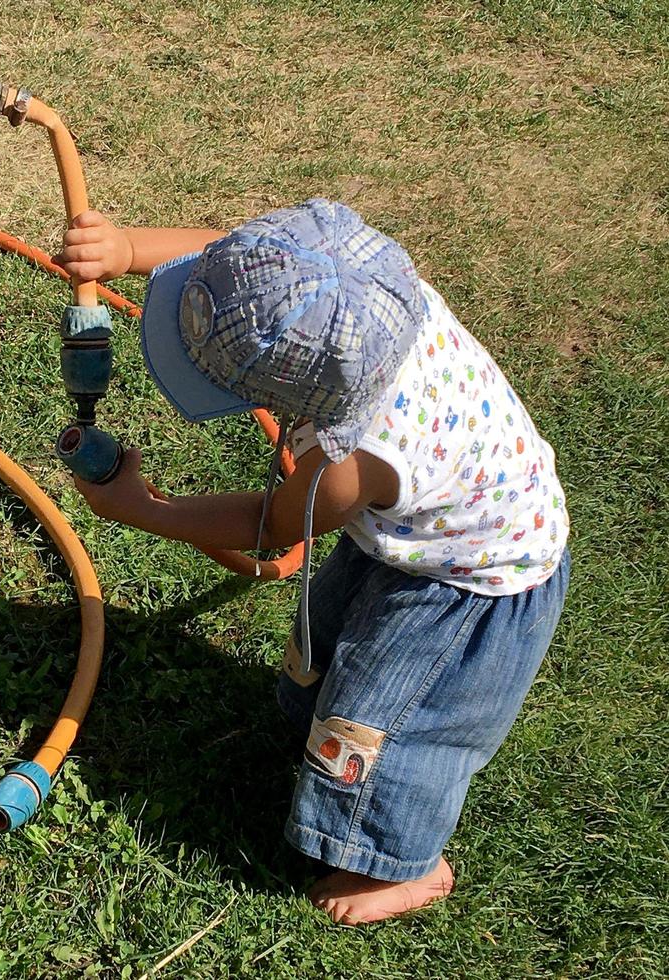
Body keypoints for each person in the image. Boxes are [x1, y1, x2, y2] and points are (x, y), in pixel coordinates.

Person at [54, 199, 570, 924]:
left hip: (472, 584)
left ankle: (405, 865)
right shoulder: (369, 300)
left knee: (386, 722)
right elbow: (247, 271)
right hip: (430, 528)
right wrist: (126, 247)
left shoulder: (354, 464)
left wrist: (147, 511)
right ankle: (317, 722)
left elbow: (272, 522)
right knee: (329, 643)